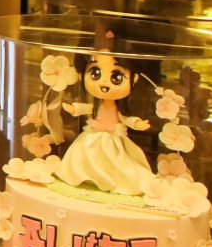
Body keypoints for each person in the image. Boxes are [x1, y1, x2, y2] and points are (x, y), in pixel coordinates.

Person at [57, 52, 155, 196]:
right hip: (92, 136)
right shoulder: (96, 106)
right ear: (81, 75)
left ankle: (110, 180)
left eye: (116, 77)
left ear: (134, 79)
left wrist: (137, 123)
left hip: (111, 139)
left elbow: (125, 119)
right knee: (82, 156)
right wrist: (74, 109)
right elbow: (87, 108)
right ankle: (83, 174)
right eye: (95, 73)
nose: (104, 83)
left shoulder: (118, 108)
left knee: (113, 161)